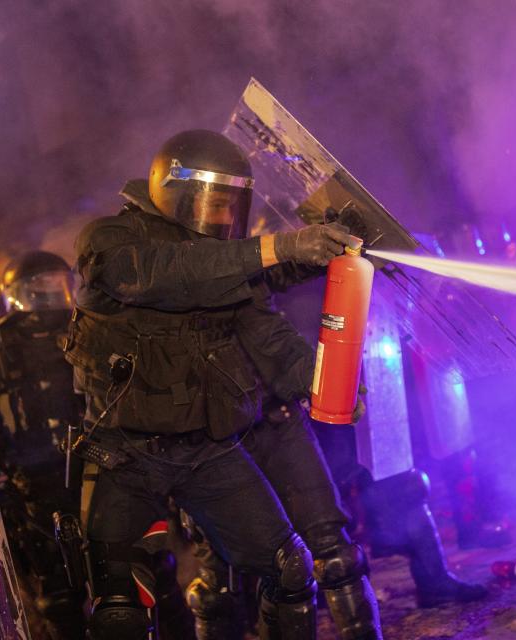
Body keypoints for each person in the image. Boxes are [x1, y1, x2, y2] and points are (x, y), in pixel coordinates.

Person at [65, 129, 376, 639]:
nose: (220, 215)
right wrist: (283, 245)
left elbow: (265, 332)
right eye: (210, 199)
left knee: (292, 569)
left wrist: (322, 385)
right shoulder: (110, 241)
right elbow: (168, 274)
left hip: (207, 450)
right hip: (126, 456)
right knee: (121, 610)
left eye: (229, 202)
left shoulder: (222, 261)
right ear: (172, 188)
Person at [0, 251, 87, 640]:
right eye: (41, 289)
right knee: (58, 597)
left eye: (58, 286)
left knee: (126, 577)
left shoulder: (84, 326)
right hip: (36, 482)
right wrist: (3, 474)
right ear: (19, 294)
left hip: (95, 468)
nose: (51, 296)